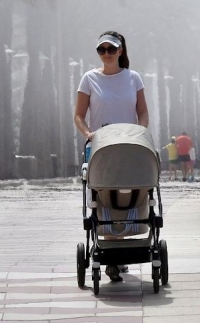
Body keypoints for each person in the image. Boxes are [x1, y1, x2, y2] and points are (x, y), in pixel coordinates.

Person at [73, 30, 149, 282]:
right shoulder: (89, 79)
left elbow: (142, 113)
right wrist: (89, 134)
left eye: (111, 49)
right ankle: (110, 251)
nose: (106, 54)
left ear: (120, 51)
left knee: (130, 189)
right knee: (103, 193)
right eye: (101, 50)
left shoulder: (133, 78)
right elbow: (79, 115)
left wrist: (141, 133)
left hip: (128, 144)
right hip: (101, 145)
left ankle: (127, 239)